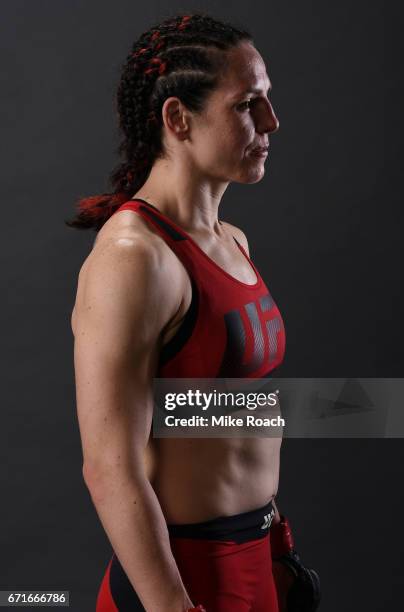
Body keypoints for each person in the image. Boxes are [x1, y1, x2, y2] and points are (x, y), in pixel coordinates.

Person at [68, 12, 319, 612]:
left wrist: (277, 540)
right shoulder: (134, 257)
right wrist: (171, 606)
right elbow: (109, 466)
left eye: (268, 102)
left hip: (258, 556)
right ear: (178, 118)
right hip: (184, 576)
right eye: (246, 105)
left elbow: (206, 407)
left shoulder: (231, 240)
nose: (271, 123)